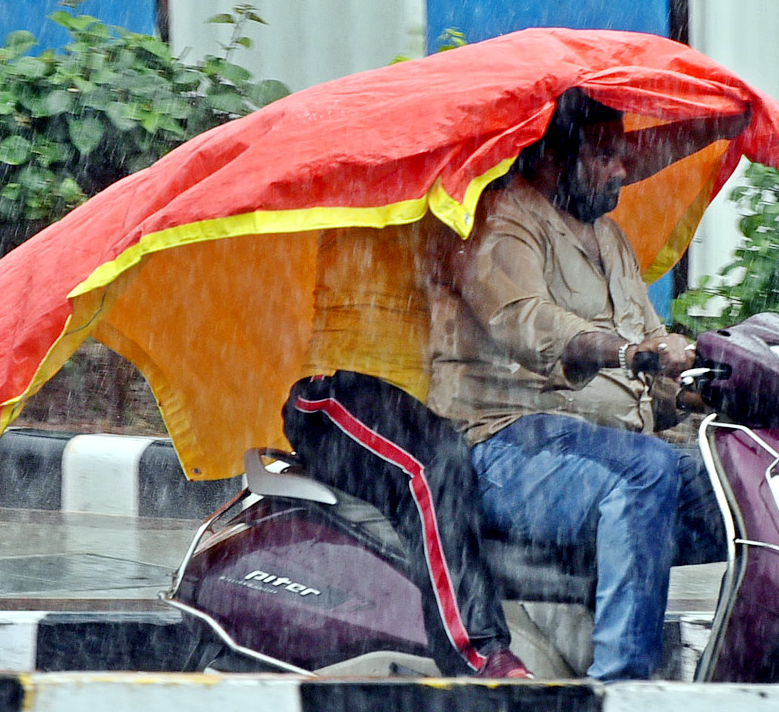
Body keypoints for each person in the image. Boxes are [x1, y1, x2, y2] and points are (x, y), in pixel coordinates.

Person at [427, 88, 744, 681]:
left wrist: (710, 390)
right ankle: (622, 685)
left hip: (601, 449)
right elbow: (529, 323)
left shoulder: (610, 239)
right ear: (551, 154)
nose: (622, 169)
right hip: (505, 448)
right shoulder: (500, 221)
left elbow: (652, 364)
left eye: (621, 152)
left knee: (736, 484)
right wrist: (631, 352)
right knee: (647, 470)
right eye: (603, 155)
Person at [281, 225, 530, 678]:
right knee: (437, 464)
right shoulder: (378, 184)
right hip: (336, 391)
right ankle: (480, 656)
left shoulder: (466, 203)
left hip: (423, 408)